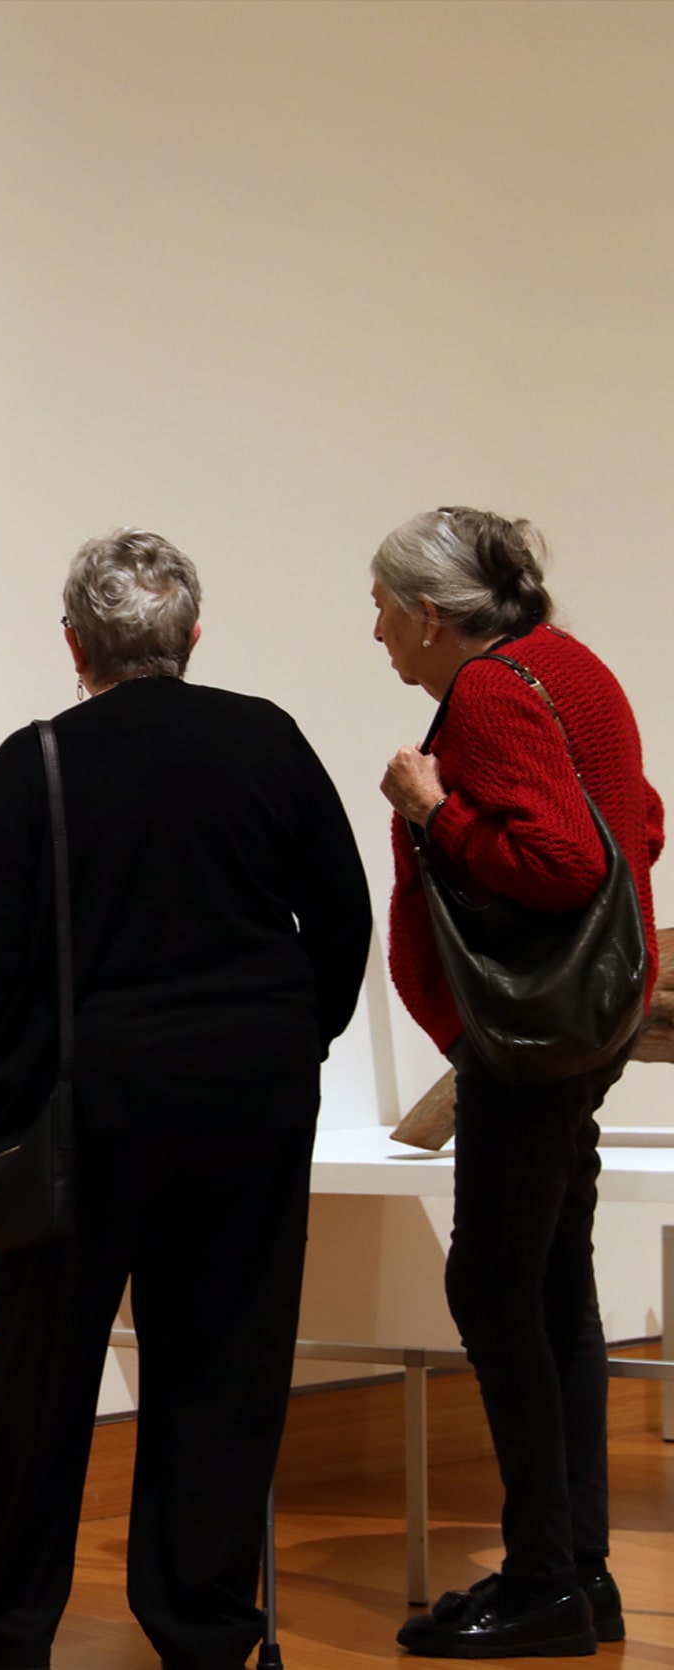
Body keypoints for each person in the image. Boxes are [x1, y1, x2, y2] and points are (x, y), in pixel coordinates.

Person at [0, 530, 371, 1670]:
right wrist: (290, 1042)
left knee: (41, 1381)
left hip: (87, 1114)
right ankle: (208, 1631)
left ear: (74, 644)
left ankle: (0, 1635)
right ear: (193, 636)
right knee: (223, 1370)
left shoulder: (38, 765)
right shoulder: (268, 739)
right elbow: (343, 917)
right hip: (250, 1106)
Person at [371, 506, 662, 1657]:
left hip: (526, 1046)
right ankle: (575, 1574)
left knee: (498, 1287)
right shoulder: (571, 666)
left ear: (433, 616)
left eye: (385, 608)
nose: (376, 631)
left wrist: (436, 812)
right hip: (581, 1033)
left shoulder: (491, 692)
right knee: (550, 1288)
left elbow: (563, 857)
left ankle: (548, 1573)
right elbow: (640, 820)